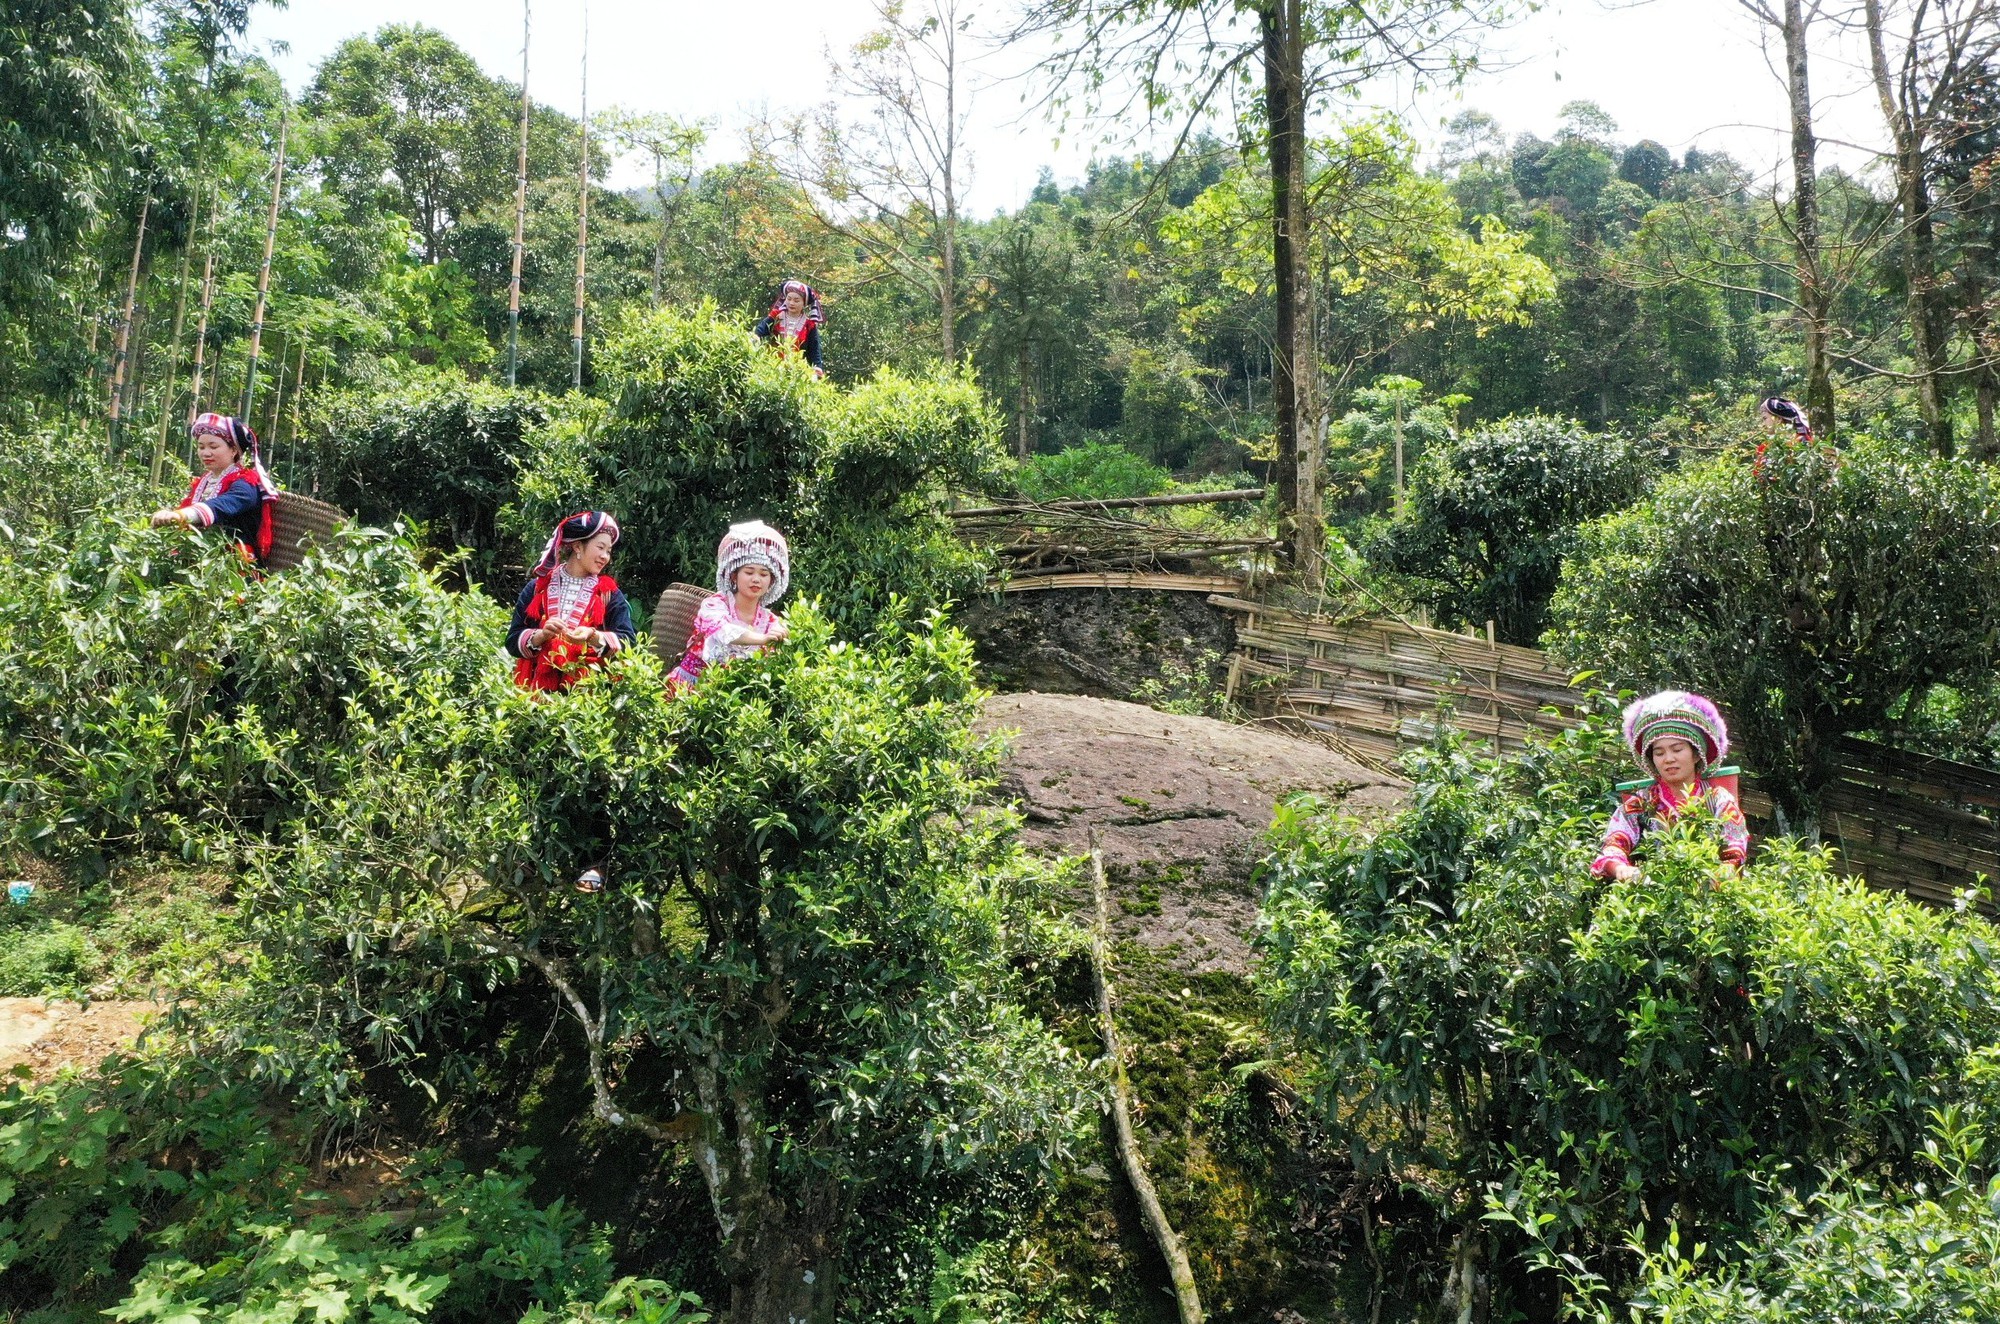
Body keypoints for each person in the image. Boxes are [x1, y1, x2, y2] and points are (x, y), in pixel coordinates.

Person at [1592, 690, 1751, 882]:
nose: (1668, 759)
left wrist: (1720, 875)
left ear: (1695, 754)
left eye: (1677, 749)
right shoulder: (1642, 803)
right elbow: (1616, 841)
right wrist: (1619, 868)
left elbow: (1735, 847)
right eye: (1659, 753)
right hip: (1656, 895)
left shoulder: (1718, 800)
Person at [507, 510, 636, 694]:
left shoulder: (608, 594)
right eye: (600, 547)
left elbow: (629, 642)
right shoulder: (537, 589)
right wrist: (541, 635)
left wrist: (593, 636)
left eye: (608, 551)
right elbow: (512, 640)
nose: (605, 557)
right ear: (577, 546)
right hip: (535, 699)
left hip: (587, 701)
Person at [668, 520, 790, 692]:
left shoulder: (770, 620)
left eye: (764, 574)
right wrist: (763, 639)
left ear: (771, 581)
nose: (756, 579)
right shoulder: (715, 605)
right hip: (693, 688)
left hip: (734, 695)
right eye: (749, 572)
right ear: (734, 576)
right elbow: (724, 632)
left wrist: (781, 635)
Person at [149, 412, 278, 565]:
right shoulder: (204, 481)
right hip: (201, 555)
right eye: (201, 447)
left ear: (234, 450)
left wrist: (181, 515)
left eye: (213, 446)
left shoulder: (246, 484)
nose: (205, 453)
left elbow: (221, 506)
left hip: (233, 565)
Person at [754, 280, 824, 376]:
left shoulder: (809, 325)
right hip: (772, 367)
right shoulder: (776, 316)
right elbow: (761, 330)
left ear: (804, 303)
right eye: (789, 298)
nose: (791, 303)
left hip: (796, 372)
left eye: (796, 300)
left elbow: (814, 350)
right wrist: (755, 337)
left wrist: (817, 367)